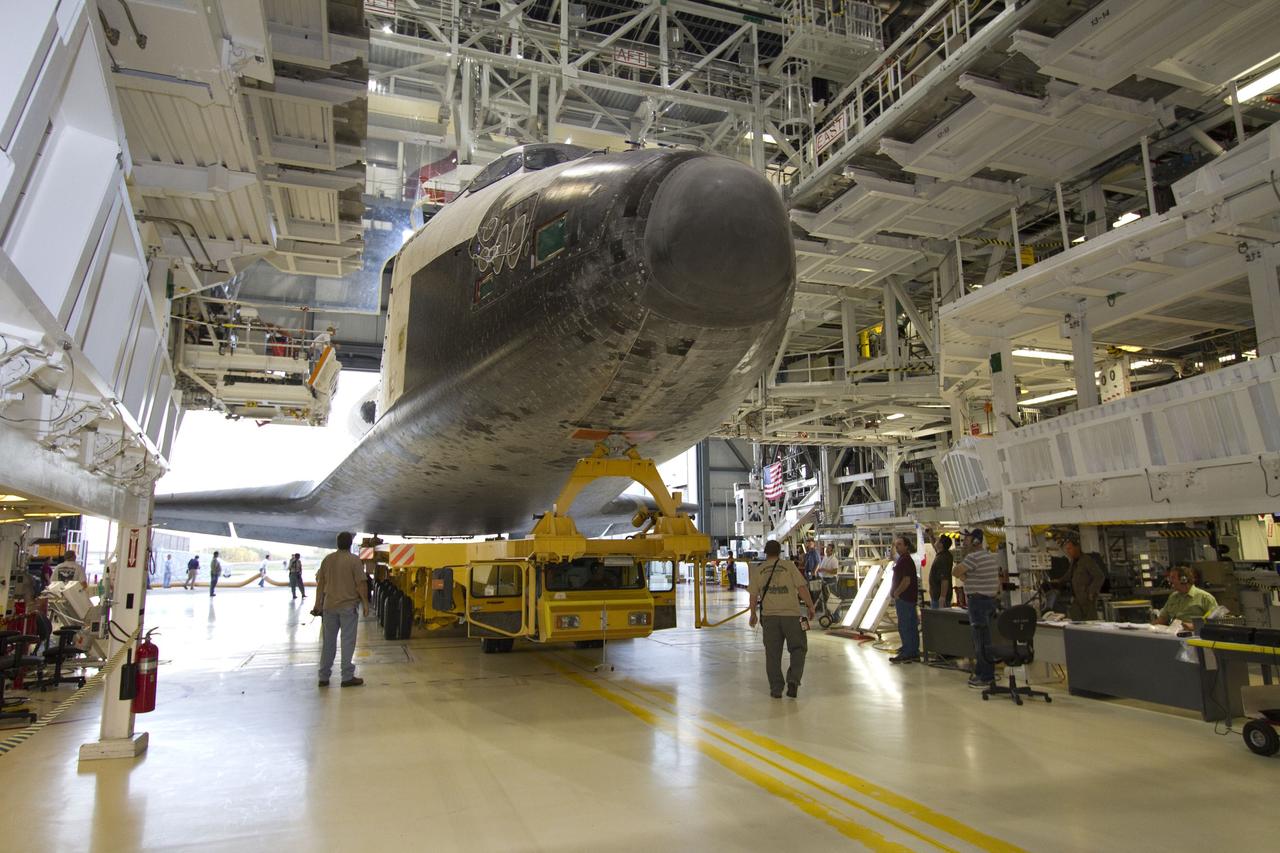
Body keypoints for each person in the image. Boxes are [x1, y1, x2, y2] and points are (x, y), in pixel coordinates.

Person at [747, 540, 815, 699]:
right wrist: (810, 606)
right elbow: (801, 587)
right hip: (792, 616)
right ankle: (793, 680)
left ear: (765, 552)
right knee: (798, 649)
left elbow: (753, 595)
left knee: (772, 654)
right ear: (779, 552)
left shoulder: (759, 569)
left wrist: (753, 614)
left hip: (769, 618)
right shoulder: (790, 566)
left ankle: (776, 688)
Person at [314, 531, 370, 688]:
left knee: (328, 642)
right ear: (350, 543)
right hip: (347, 607)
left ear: (337, 543)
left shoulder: (327, 560)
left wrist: (318, 603)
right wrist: (365, 603)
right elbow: (361, 584)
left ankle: (323, 677)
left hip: (329, 607)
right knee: (347, 641)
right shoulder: (354, 560)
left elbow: (321, 584)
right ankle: (347, 677)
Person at [953, 529, 1001, 687]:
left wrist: (965, 577)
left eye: (967, 539)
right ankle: (982, 672)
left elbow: (955, 571)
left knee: (980, 641)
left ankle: (986, 676)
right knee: (984, 639)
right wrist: (968, 578)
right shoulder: (989, 557)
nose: (964, 542)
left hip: (978, 603)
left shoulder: (973, 557)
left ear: (976, 541)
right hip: (988, 601)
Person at [889, 536, 920, 664]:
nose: (897, 547)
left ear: (906, 546)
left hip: (905, 598)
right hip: (907, 598)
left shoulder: (906, 560)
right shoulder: (902, 559)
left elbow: (906, 580)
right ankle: (911, 649)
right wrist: (892, 545)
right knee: (911, 625)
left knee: (905, 626)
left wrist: (897, 592)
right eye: (896, 545)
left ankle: (908, 652)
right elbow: (892, 557)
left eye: (899, 544)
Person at [1058, 536, 1105, 621]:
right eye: (1067, 549)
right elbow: (1069, 574)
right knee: (1075, 618)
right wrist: (1057, 582)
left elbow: (1099, 576)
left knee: (1090, 622)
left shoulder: (1086, 560)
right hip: (1077, 597)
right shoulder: (1074, 562)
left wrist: (1091, 591)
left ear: (1077, 548)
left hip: (1087, 598)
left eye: (1070, 549)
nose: (1068, 552)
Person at [1153, 566, 1218, 627]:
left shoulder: (1205, 597)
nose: (1170, 581)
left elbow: (1215, 620)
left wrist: (1194, 626)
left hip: (1194, 635)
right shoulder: (1173, 597)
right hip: (1173, 633)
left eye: (1173, 578)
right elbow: (1163, 618)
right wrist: (1149, 627)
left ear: (1184, 579)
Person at [928, 535, 954, 609]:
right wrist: (931, 535)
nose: (935, 540)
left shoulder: (942, 559)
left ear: (941, 545)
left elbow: (944, 579)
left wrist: (942, 597)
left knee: (940, 619)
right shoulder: (944, 554)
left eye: (938, 540)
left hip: (939, 598)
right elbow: (934, 546)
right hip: (938, 596)